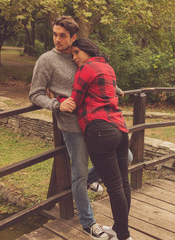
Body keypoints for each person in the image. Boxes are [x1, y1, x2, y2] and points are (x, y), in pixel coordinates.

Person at [29, 16, 108, 240]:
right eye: (54, 34)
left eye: (62, 35)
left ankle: (92, 179)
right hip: (71, 125)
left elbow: (94, 76)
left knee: (126, 156)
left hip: (94, 120)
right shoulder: (46, 60)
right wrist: (56, 104)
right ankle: (88, 223)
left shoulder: (80, 54)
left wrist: (114, 87)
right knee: (78, 174)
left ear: (73, 37)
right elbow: (34, 94)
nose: (57, 39)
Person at [60, 38, 132, 240]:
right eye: (72, 54)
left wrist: (58, 99)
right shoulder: (107, 67)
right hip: (120, 128)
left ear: (87, 50)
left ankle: (124, 235)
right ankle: (119, 228)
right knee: (123, 184)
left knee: (115, 187)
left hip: (99, 130)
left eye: (76, 53)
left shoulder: (86, 68)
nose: (74, 58)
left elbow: (75, 101)